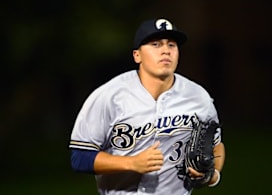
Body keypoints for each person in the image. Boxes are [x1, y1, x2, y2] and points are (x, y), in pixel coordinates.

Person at [68, 17, 225, 195]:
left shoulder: (198, 97)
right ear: (137, 55)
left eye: (171, 45)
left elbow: (215, 144)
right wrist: (131, 163)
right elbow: (80, 157)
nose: (165, 50)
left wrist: (213, 175)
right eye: (156, 44)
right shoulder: (109, 96)